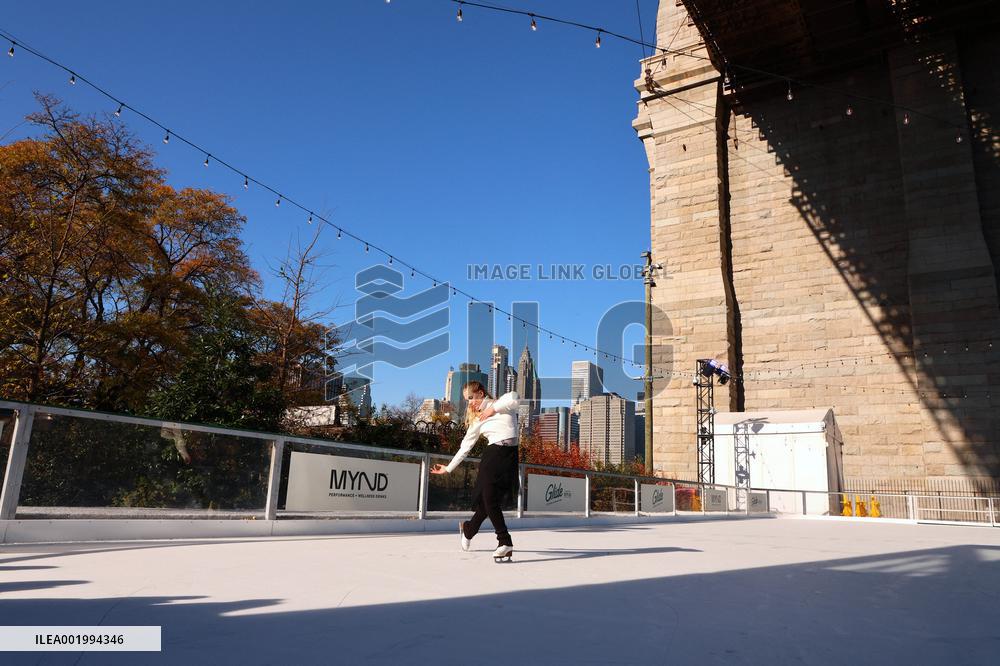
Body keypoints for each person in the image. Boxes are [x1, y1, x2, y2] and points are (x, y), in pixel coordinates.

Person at [431, 381, 520, 560]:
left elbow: (515, 397)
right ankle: (505, 542)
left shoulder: (501, 404)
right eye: (467, 400)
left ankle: (469, 529)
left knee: (489, 503)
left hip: (510, 456)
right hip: (492, 454)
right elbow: (465, 447)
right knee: (488, 498)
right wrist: (448, 468)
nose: (470, 402)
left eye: (471, 397)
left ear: (480, 393)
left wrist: (492, 410)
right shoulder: (477, 419)